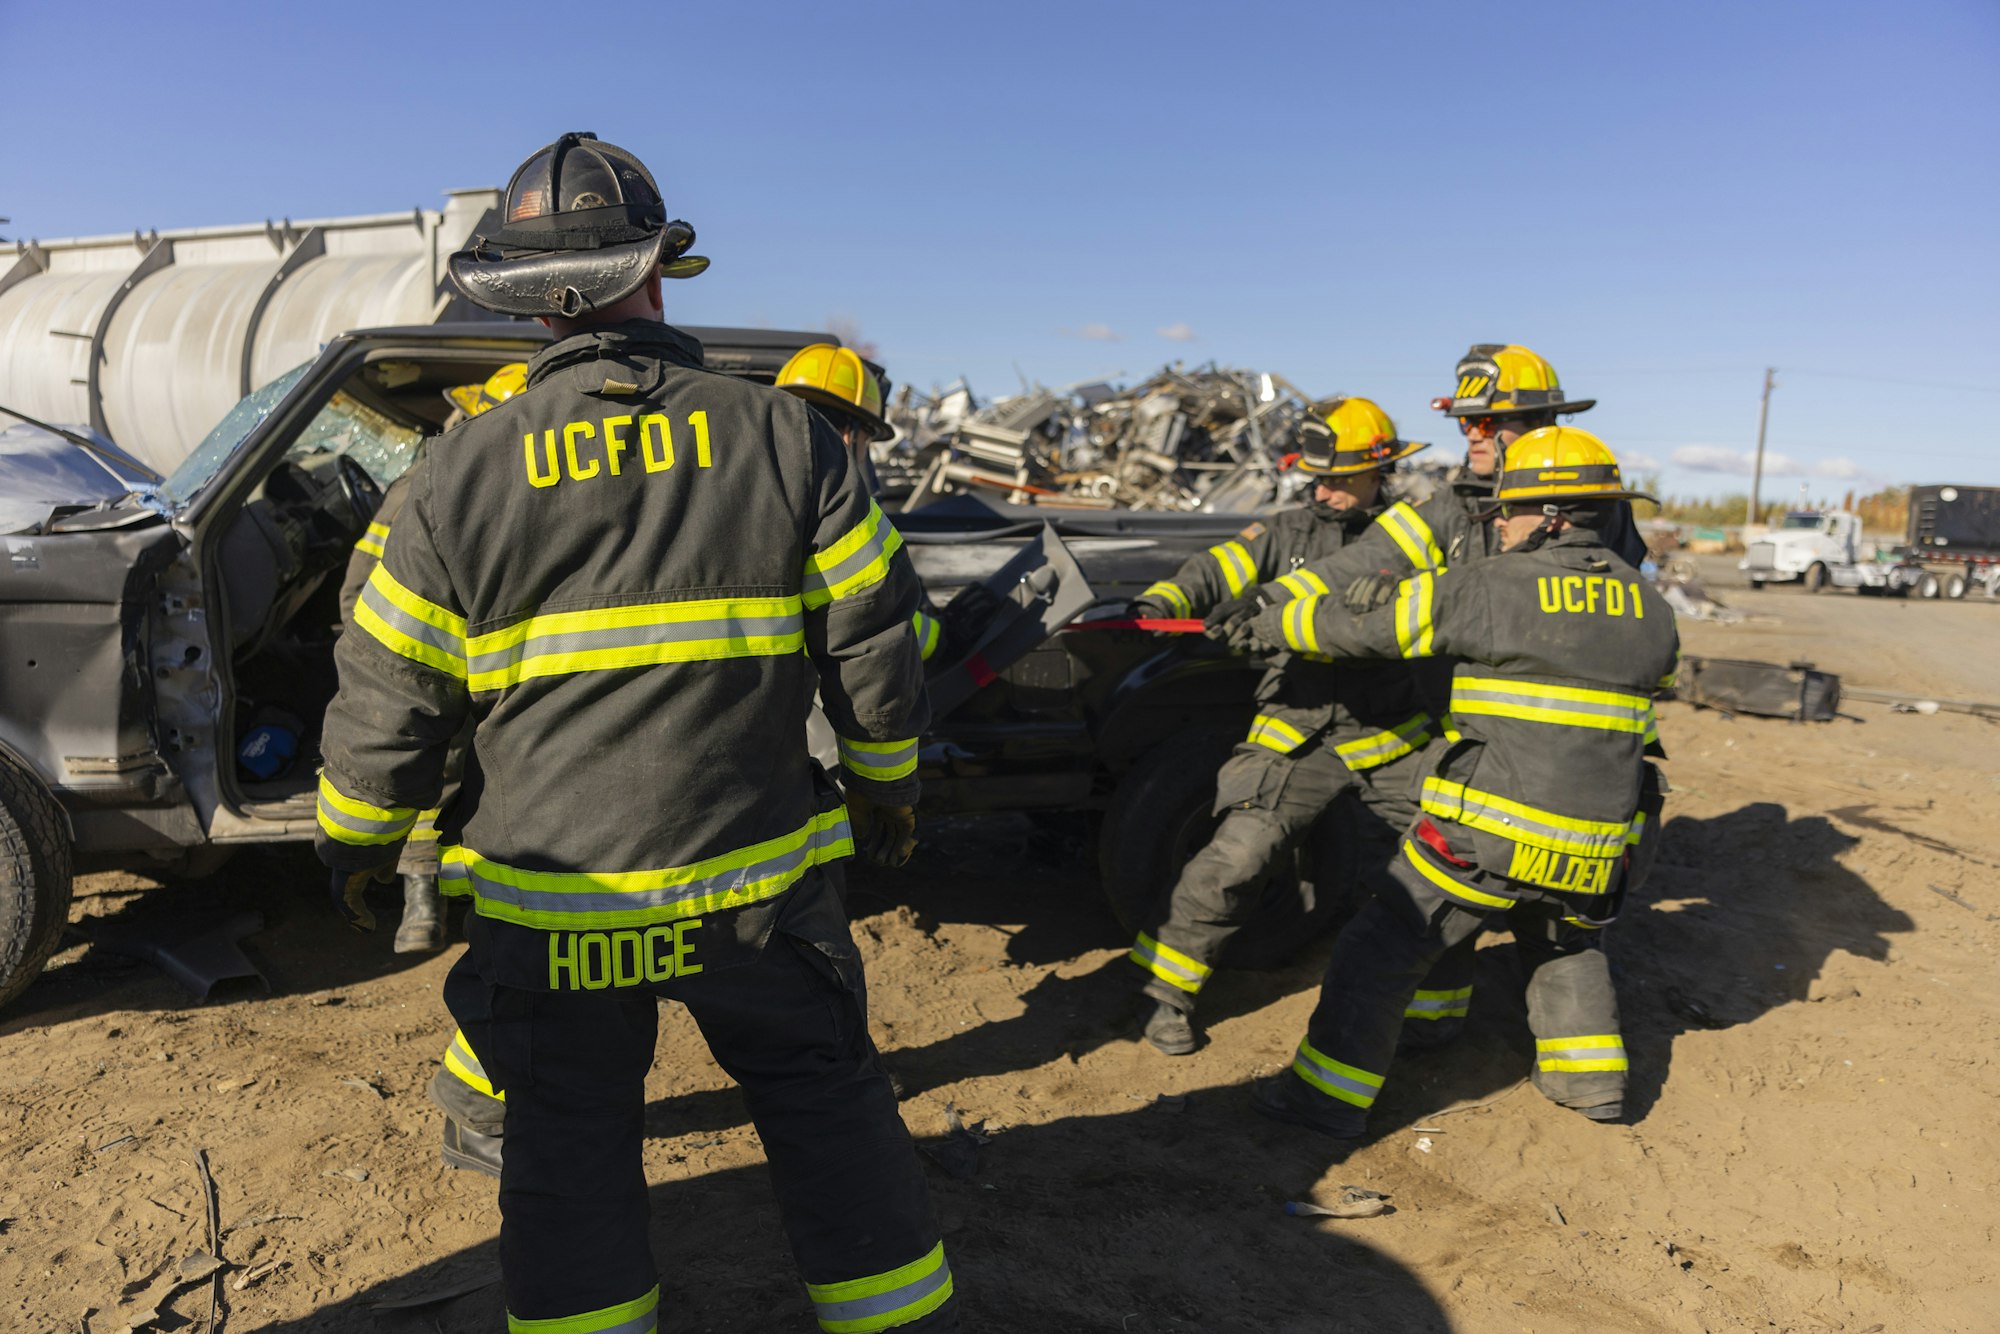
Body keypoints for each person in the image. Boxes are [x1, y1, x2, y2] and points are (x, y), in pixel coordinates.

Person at [315, 133, 956, 1333]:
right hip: (754, 896)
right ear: (657, 273)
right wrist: (885, 786)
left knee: (565, 1143)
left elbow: (387, 688)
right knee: (825, 1108)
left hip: (558, 915)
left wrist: (356, 844)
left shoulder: (455, 476)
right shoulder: (788, 440)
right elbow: (874, 648)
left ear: (521, 298)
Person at [1241, 426, 1678, 1139]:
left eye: (1509, 510)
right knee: (1563, 938)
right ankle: (1593, 1085)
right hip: (1602, 842)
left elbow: (1368, 635)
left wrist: (1273, 619)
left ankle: (1323, 1100)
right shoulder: (1651, 609)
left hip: (1495, 831)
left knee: (1383, 941)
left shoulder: (1489, 587)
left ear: (1555, 517)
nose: (1497, 521)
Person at [1266, 343, 1635, 1046]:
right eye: (1465, 423)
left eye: (1485, 423)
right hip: (1482, 747)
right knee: (1488, 910)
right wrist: (1276, 598)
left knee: (1490, 911)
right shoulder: (1458, 502)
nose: (1471, 436)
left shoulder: (1583, 508)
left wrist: (1308, 621)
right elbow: (1363, 561)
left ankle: (1356, 1083)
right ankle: (1445, 1034)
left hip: (1541, 756)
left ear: (1534, 422)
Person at [1122, 400, 1438, 1055]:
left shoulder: (1417, 538)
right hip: (1296, 728)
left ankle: (1435, 1016)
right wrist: (1166, 601)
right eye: (1315, 477)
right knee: (1233, 860)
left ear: (1378, 470)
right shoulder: (1288, 531)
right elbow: (1220, 570)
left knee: (1434, 875)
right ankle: (1165, 997)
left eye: (1337, 479)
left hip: (1392, 735)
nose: (1321, 490)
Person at [334, 363, 527, 954]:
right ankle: (422, 900)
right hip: (446, 663)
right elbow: (359, 593)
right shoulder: (428, 485)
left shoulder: (542, 488)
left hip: (512, 674)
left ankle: (475, 899)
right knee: (429, 753)